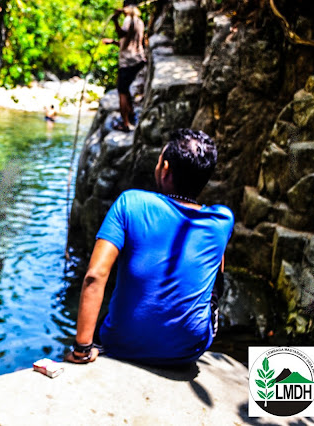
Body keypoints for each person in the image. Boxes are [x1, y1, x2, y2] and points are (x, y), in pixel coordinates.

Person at [65, 129, 234, 366]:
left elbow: (95, 275)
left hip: (121, 344)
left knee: (107, 320)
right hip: (189, 350)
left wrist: (82, 349)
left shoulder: (130, 203)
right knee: (216, 253)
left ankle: (88, 346)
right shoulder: (222, 219)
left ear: (165, 169)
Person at [102, 5, 146, 132]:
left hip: (128, 61)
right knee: (126, 89)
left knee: (122, 91)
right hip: (138, 58)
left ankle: (125, 123)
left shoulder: (129, 20)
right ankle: (131, 114)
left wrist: (115, 20)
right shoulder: (139, 21)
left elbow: (122, 33)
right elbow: (129, 40)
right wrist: (113, 42)